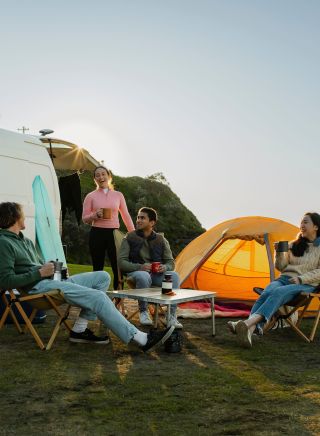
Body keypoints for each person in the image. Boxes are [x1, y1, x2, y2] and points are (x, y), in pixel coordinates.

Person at [0, 202, 174, 352]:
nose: (25, 216)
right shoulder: (4, 243)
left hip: (51, 280)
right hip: (37, 288)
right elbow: (5, 280)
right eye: (22, 214)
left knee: (102, 277)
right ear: (14, 217)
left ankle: (79, 330)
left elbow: (36, 266)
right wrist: (38, 273)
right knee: (98, 297)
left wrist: (50, 268)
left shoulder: (26, 241)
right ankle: (140, 338)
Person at [228, 212, 320, 348]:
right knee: (268, 290)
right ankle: (251, 329)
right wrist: (278, 253)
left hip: (305, 284)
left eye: (306, 222)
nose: (302, 225)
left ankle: (246, 324)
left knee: (278, 292)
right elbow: (281, 267)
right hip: (284, 278)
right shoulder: (293, 245)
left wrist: (301, 279)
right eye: (301, 222)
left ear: (316, 227)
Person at [118, 207, 183, 329]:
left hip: (155, 275)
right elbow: (121, 262)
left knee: (174, 276)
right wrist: (140, 267)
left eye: (142, 218)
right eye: (138, 217)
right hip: (135, 274)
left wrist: (164, 267)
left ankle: (171, 315)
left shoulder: (161, 239)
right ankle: (143, 311)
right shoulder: (129, 237)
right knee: (143, 275)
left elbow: (171, 263)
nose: (138, 220)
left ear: (152, 222)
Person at [82, 166, 135, 290]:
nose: (101, 177)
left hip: (114, 234)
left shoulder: (118, 195)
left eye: (103, 174)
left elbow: (125, 215)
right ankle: (97, 296)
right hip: (97, 233)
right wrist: (95, 215)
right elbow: (85, 218)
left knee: (117, 268)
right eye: (97, 175)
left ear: (109, 176)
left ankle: (118, 299)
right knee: (97, 268)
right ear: (94, 179)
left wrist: (133, 233)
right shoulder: (90, 196)